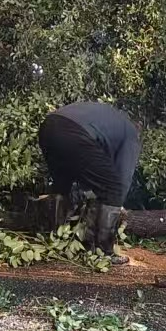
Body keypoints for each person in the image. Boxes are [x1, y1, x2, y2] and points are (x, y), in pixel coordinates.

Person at [38, 101, 140, 266]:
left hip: (48, 127)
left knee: (63, 186)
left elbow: (90, 170)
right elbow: (122, 177)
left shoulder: (111, 122)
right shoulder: (130, 134)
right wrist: (117, 203)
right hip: (74, 132)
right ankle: (103, 252)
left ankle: (54, 237)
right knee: (114, 188)